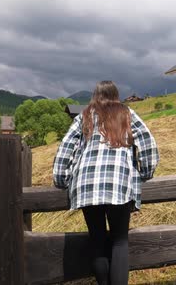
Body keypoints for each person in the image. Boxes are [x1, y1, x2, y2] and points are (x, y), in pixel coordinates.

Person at [53, 81, 159, 285]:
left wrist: (61, 179)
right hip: (119, 182)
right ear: (116, 95)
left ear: (95, 95)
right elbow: (148, 143)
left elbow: (65, 148)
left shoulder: (84, 116)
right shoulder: (126, 113)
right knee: (120, 241)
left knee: (98, 240)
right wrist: (145, 172)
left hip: (86, 184)